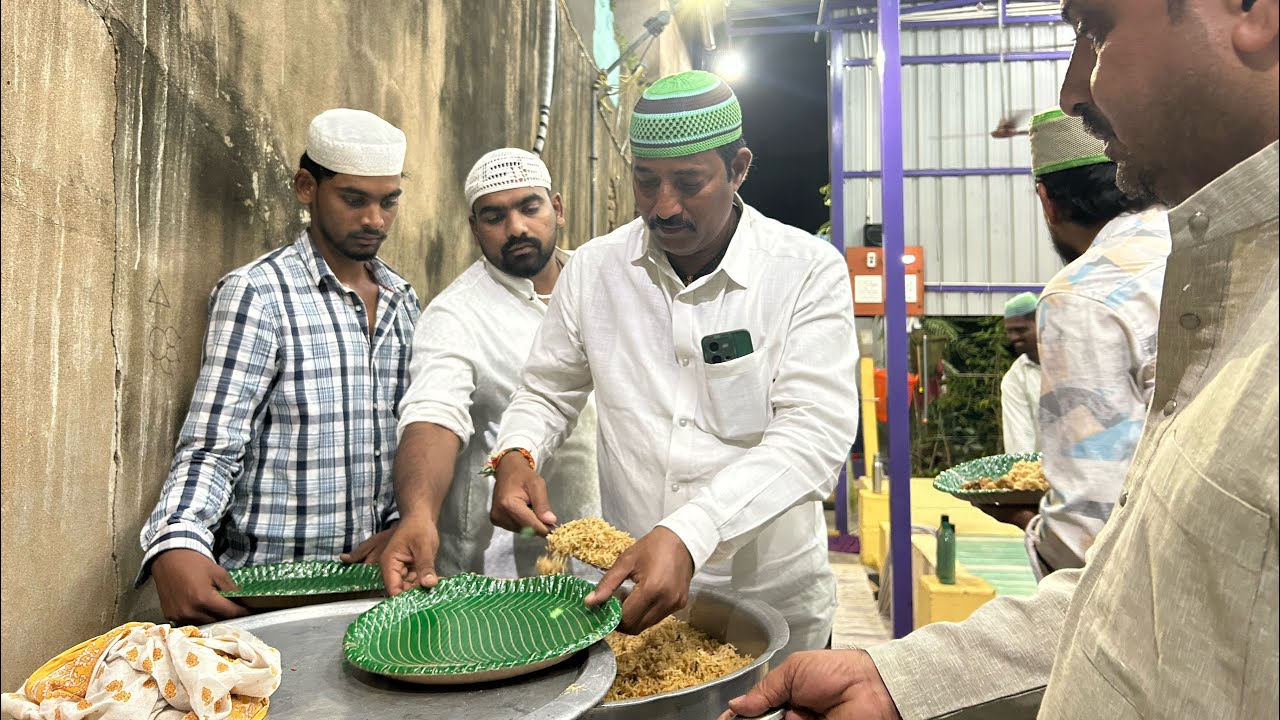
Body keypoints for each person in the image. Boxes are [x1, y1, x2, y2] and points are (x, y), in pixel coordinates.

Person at [723, 0, 1277, 717]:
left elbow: (1086, 545)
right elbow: (1136, 588)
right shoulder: (1221, 270)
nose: (1074, 89)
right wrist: (901, 681)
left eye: (1097, 29)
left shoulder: (1090, 295)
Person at [489, 70, 860, 659]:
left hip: (769, 602)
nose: (663, 207)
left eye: (689, 183)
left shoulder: (805, 270)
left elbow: (814, 434)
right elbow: (547, 389)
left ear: (738, 169)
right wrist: (517, 452)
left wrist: (691, 531)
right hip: (639, 601)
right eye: (645, 181)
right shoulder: (593, 270)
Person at [137, 109, 420, 625]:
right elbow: (212, 446)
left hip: (374, 599)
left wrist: (404, 523)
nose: (375, 220)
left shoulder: (404, 301)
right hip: (265, 597)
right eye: (355, 200)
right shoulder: (258, 294)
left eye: (388, 201)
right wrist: (176, 541)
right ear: (306, 187)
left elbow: (409, 441)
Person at [379, 148, 600, 593]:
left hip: (608, 554)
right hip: (501, 578)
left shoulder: (601, 282)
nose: (516, 227)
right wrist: (418, 515)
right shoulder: (457, 314)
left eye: (529, 207)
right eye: (494, 216)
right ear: (474, 228)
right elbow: (434, 413)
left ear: (556, 207)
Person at [987, 109, 1170, 578]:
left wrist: (1031, 526)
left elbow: (1084, 535)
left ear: (1046, 200)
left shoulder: (1082, 293)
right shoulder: (1198, 242)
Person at [999, 292, 1042, 454]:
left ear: (1040, 323)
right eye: (1010, 331)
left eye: (1021, 330)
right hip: (1042, 474)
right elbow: (1020, 441)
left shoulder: (1073, 360)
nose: (1014, 337)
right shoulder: (1015, 380)